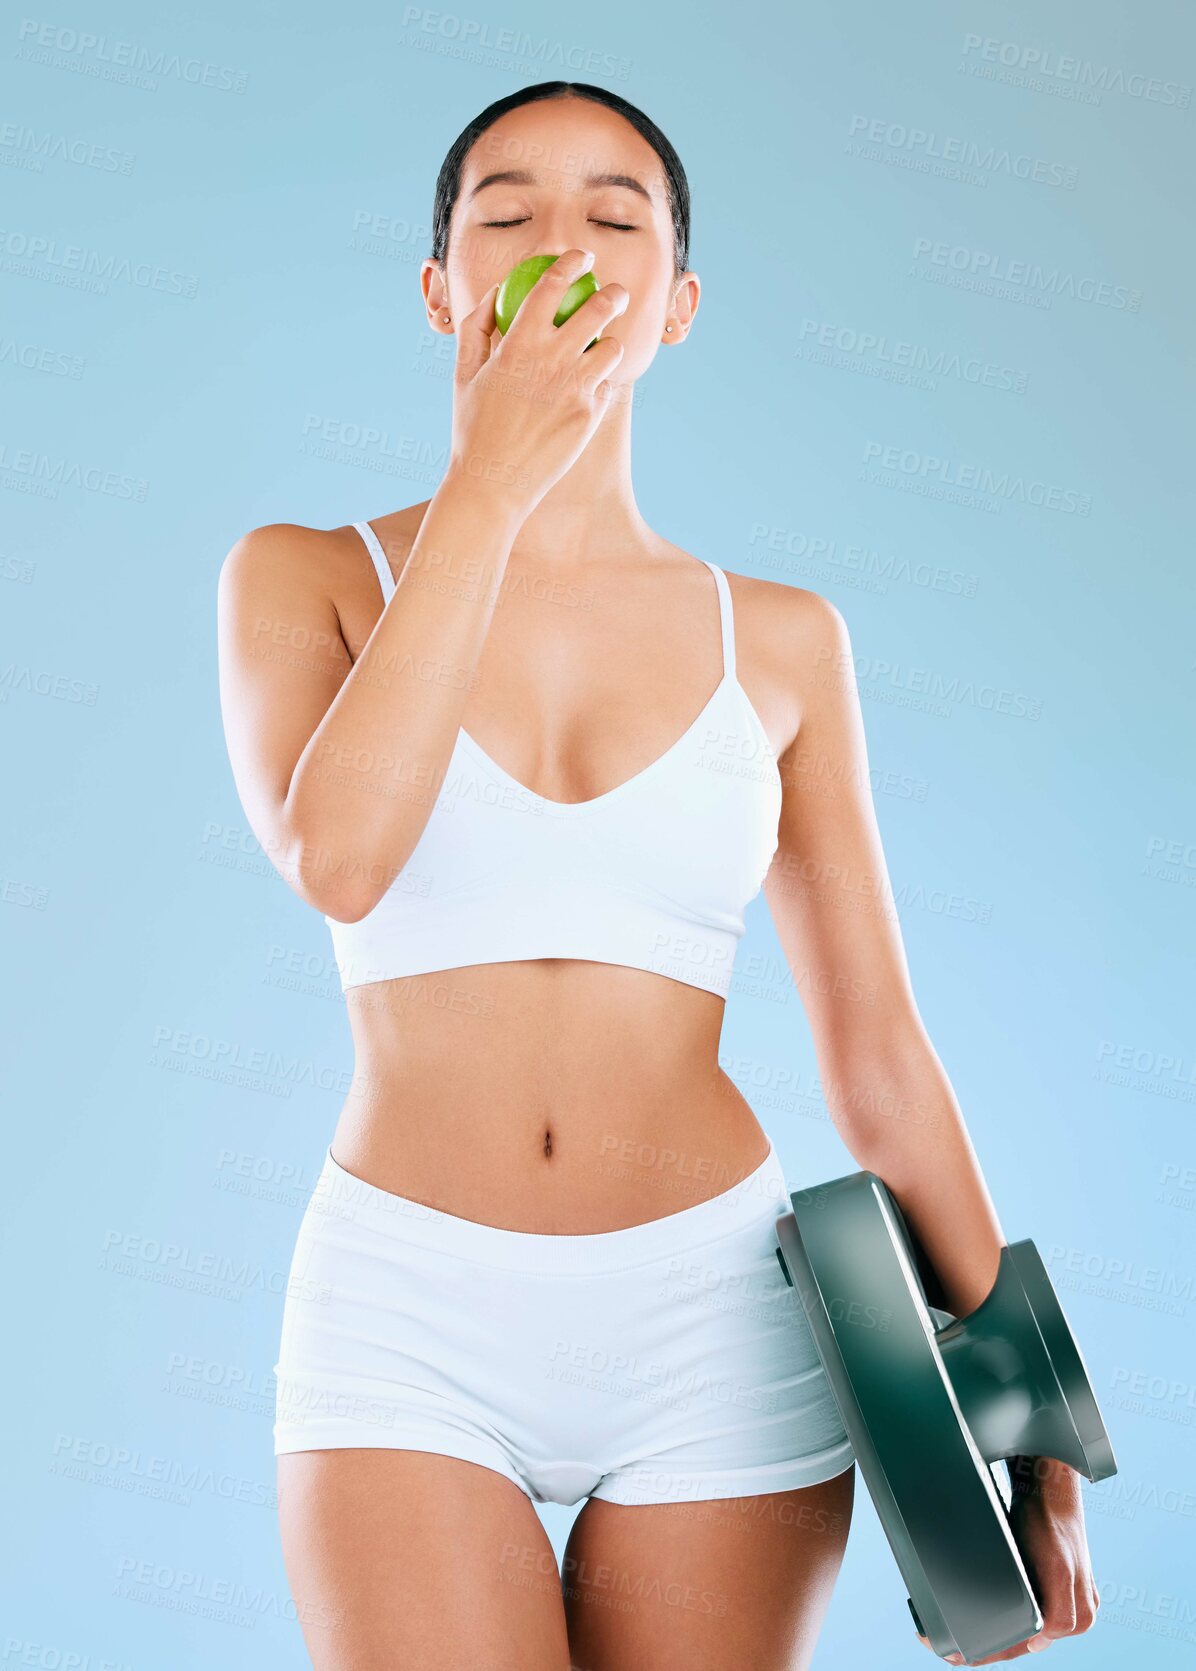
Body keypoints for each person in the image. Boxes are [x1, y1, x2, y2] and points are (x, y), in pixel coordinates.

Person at [217, 80, 1098, 1671]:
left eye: (617, 218)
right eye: (508, 213)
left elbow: (880, 1061)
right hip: (407, 1313)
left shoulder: (784, 643)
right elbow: (340, 859)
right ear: (440, 292)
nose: (564, 242)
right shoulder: (300, 576)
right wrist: (490, 483)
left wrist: (1028, 1415)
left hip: (717, 1325)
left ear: (675, 306)